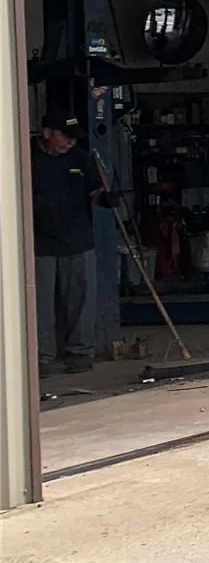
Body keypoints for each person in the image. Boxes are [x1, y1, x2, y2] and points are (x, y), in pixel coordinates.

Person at [30, 107, 107, 375]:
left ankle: (80, 353)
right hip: (38, 244)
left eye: (75, 137)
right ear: (48, 133)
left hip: (77, 241)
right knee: (38, 305)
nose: (71, 142)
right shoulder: (25, 157)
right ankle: (40, 358)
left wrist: (106, 198)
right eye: (66, 136)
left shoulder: (80, 158)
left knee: (81, 301)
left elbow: (96, 190)